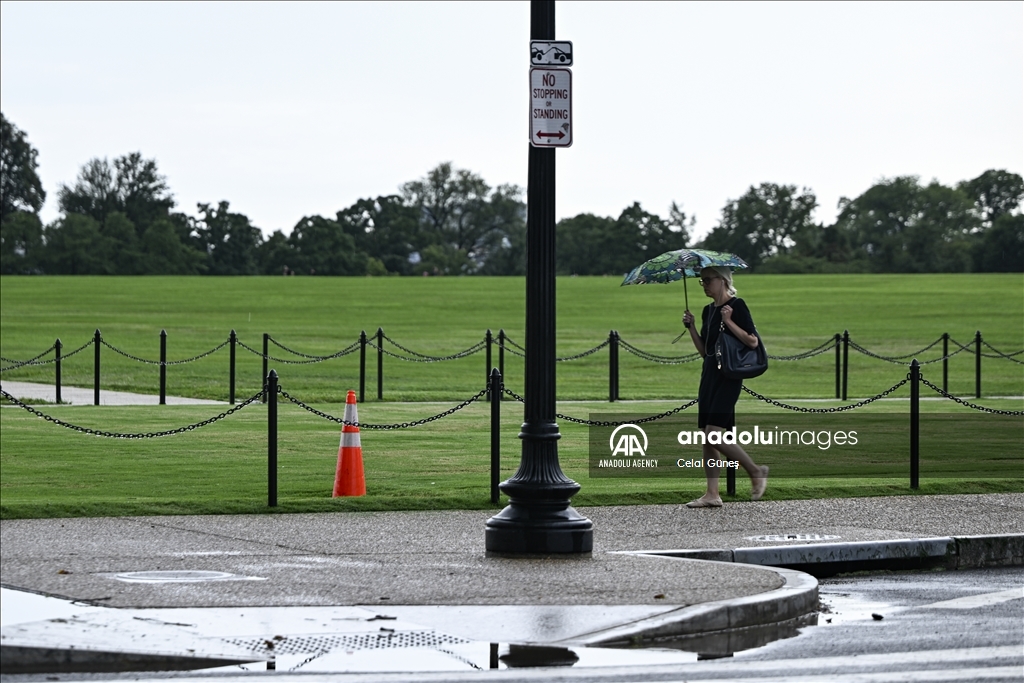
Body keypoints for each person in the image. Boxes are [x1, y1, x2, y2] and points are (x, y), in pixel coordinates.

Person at [681, 266, 769, 507]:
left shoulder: (737, 306)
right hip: (709, 376)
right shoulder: (708, 310)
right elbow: (706, 352)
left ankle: (755, 470)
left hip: (728, 378)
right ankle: (712, 494)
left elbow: (752, 341)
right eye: (702, 282)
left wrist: (728, 321)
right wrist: (691, 328)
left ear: (723, 280)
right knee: (707, 439)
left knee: (714, 435)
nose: (705, 285)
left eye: (708, 280)